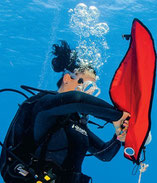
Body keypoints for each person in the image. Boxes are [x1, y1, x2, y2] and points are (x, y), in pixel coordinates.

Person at [17, 40, 129, 183]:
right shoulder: (43, 104)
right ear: (67, 78)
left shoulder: (75, 123)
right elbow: (77, 100)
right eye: (87, 85)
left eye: (93, 89)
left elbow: (104, 155)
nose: (88, 94)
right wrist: (117, 117)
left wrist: (119, 136)